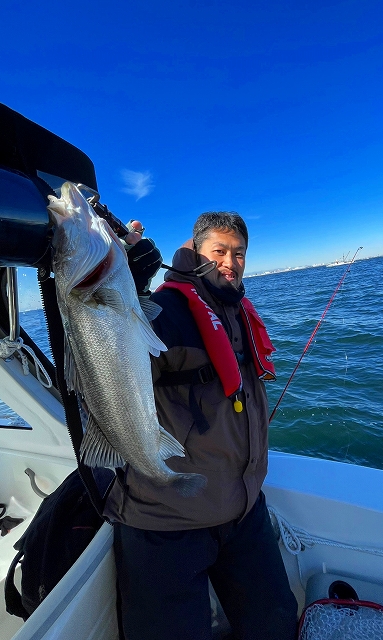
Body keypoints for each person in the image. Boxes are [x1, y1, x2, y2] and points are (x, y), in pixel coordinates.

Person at [104, 212, 299, 640]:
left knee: (278, 624)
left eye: (239, 253)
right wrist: (128, 288)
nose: (231, 261)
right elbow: (112, 354)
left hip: (243, 510)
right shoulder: (168, 309)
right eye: (220, 251)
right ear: (196, 252)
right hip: (167, 522)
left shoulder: (235, 310)